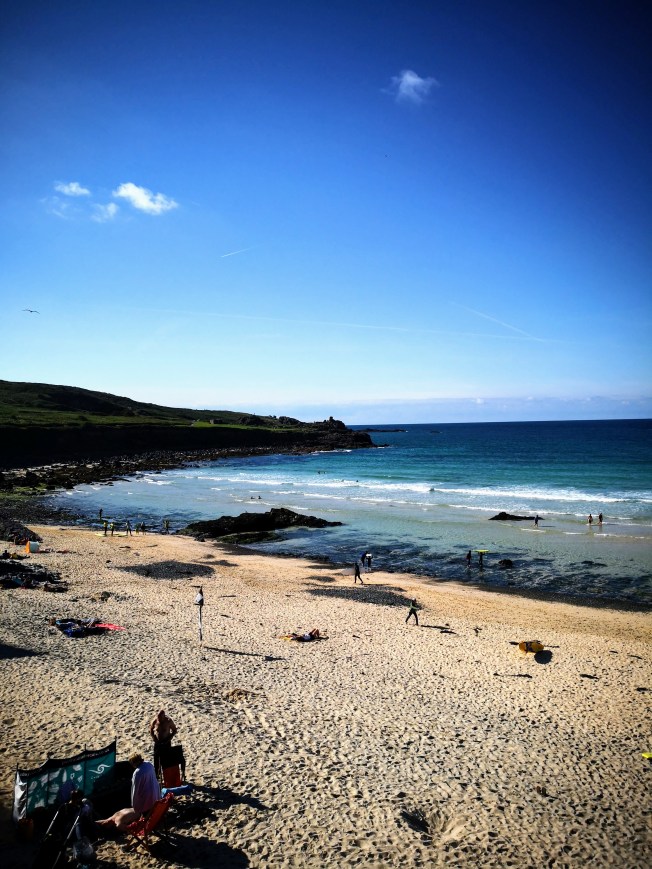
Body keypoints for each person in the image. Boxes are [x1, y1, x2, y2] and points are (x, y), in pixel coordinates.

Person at [97, 753, 159, 832]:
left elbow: (135, 791)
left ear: (134, 763)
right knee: (107, 820)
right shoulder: (149, 764)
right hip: (156, 796)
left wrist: (134, 805)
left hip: (147, 803)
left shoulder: (137, 773)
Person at [150, 709, 179, 778]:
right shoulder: (155, 720)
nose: (159, 719)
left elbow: (174, 730)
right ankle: (157, 774)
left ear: (164, 716)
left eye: (160, 718)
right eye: (158, 717)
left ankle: (167, 776)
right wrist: (154, 738)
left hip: (166, 742)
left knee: (166, 760)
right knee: (156, 759)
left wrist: (169, 738)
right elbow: (151, 729)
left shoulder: (168, 721)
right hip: (158, 742)